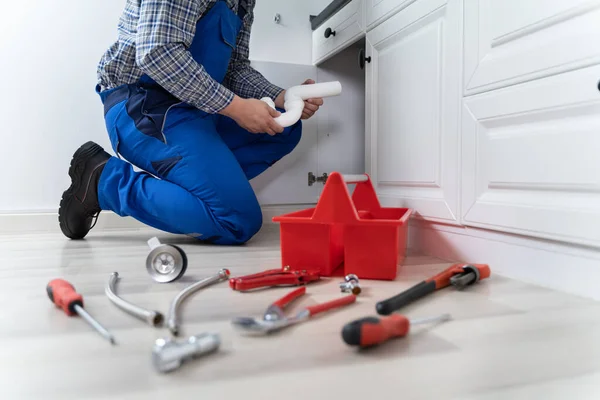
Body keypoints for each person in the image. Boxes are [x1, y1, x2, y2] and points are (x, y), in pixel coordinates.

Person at [58, 0, 323, 245]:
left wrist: (282, 96)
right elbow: (157, 51)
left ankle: (196, 192)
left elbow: (234, 69)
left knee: (281, 127)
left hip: (195, 107)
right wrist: (237, 108)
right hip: (145, 105)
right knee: (237, 222)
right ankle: (104, 182)